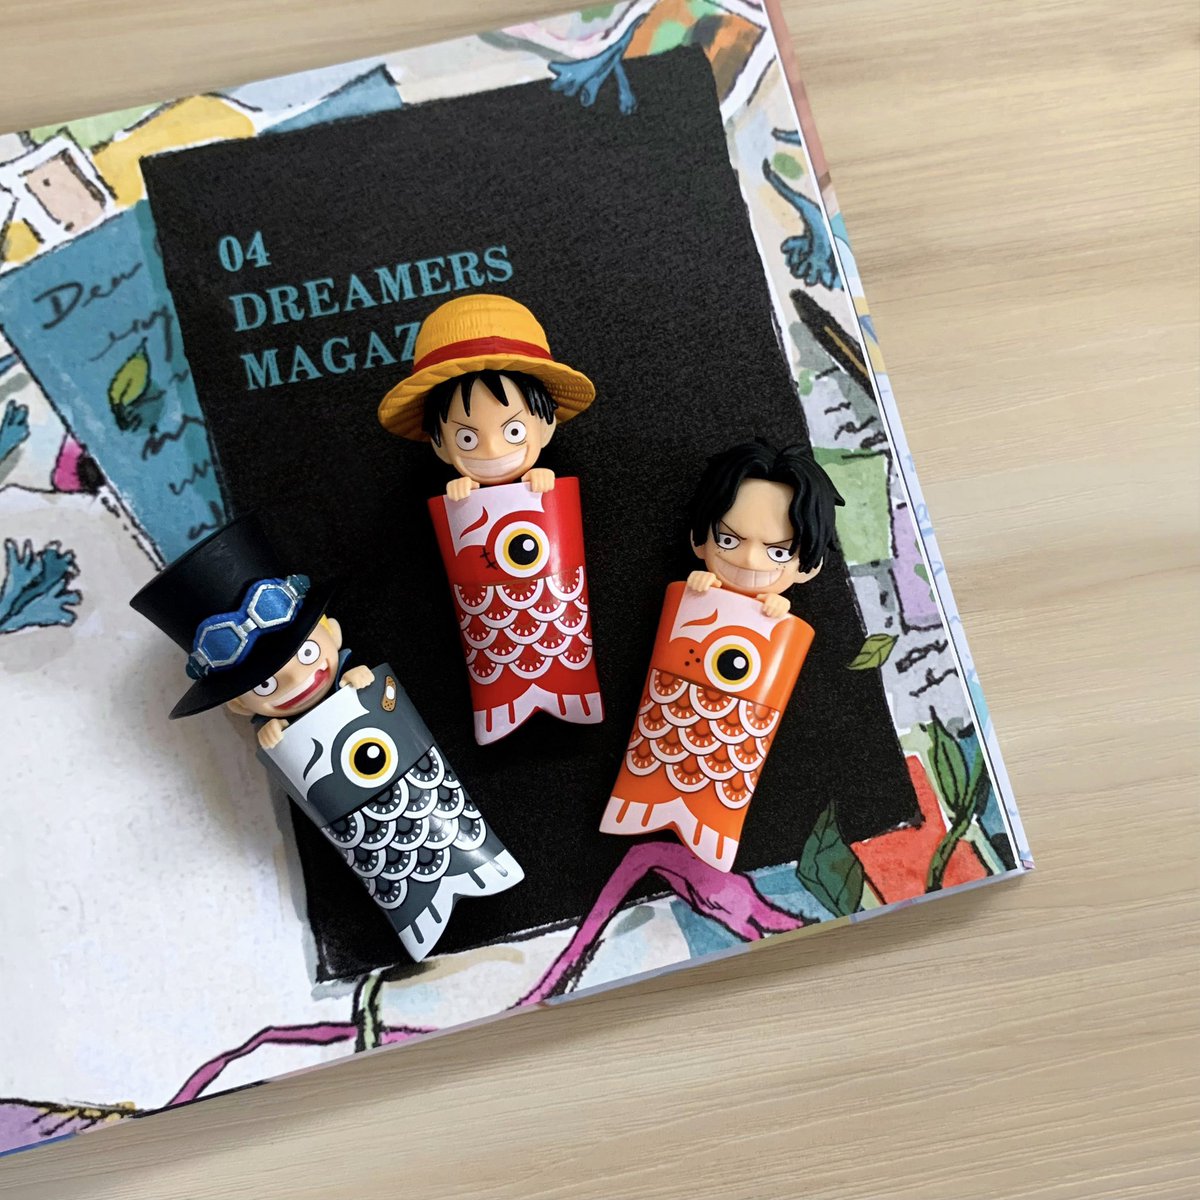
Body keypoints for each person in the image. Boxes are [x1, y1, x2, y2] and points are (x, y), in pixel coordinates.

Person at [685, 439, 844, 618]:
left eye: (779, 553)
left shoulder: (775, 606)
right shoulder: (706, 585)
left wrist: (778, 608)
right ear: (698, 540)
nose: (749, 559)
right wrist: (700, 587)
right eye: (727, 540)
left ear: (811, 568)